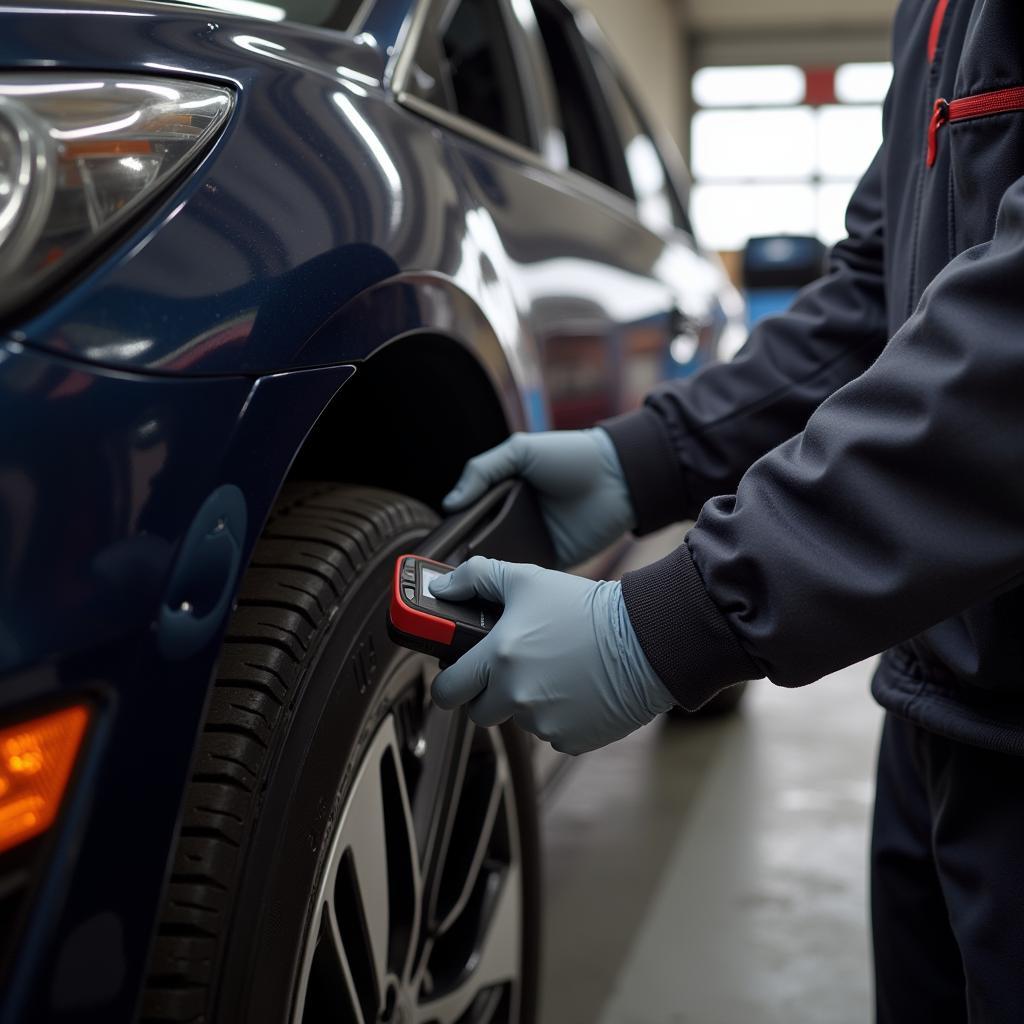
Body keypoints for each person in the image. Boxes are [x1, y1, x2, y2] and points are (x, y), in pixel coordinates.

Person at [427, 1, 1024, 1021]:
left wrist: (675, 619)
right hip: (935, 700)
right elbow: (877, 297)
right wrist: (647, 456)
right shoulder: (929, 13)